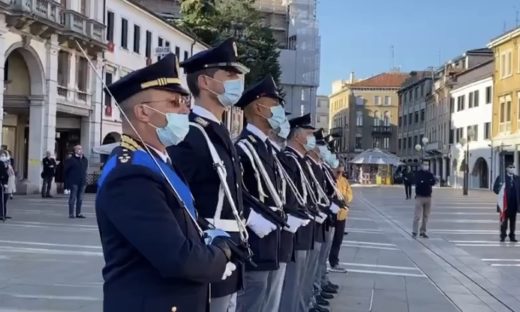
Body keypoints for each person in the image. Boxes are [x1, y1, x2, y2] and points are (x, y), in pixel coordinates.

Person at [97, 53, 234, 312]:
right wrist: (221, 256)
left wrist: (216, 239)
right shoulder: (131, 175)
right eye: (174, 102)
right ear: (144, 112)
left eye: (185, 100)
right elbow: (178, 258)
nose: (186, 109)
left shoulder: (158, 162)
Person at [167, 38, 249, 312]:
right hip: (210, 250)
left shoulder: (219, 130)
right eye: (230, 75)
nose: (238, 81)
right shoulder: (190, 133)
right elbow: (179, 200)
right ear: (205, 82)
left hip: (230, 251)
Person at [233, 75, 294, 312]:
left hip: (272, 242)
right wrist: (251, 218)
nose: (280, 110)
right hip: (253, 243)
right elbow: (234, 193)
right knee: (252, 303)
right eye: (276, 104)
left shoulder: (268, 147)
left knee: (266, 303)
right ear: (259, 108)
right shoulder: (243, 148)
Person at [279, 113, 318, 312]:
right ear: (296, 136)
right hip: (295, 230)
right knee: (291, 283)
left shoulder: (301, 161)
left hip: (307, 227)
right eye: (309, 133)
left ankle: (301, 306)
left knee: (300, 278)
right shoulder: (288, 158)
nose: (313, 139)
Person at [328, 162, 351, 273]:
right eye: (338, 171)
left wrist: (347, 198)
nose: (340, 174)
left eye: (342, 172)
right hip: (331, 213)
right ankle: (324, 263)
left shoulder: (344, 181)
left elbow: (349, 194)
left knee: (338, 239)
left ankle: (334, 261)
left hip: (341, 214)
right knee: (327, 240)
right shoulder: (330, 179)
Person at [493, 164, 520, 242]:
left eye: (513, 167)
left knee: (513, 221)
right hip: (504, 203)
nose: (512, 169)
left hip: (514, 203)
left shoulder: (517, 178)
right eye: (510, 167)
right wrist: (501, 190)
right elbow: (495, 189)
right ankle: (503, 235)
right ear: (507, 168)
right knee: (504, 220)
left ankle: (512, 236)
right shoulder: (501, 178)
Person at [412, 161, 436, 238]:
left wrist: (425, 182)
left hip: (428, 197)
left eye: (427, 164)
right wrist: (427, 182)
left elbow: (433, 182)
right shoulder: (418, 173)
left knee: (426, 216)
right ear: (421, 165)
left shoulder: (430, 174)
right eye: (425, 164)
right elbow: (417, 182)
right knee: (417, 216)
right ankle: (414, 231)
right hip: (419, 197)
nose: (426, 166)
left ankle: (423, 231)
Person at [64, 145, 88, 218]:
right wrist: (67, 182)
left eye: (81, 149)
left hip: (82, 181)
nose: (80, 150)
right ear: (75, 150)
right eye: (78, 149)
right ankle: (71, 213)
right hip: (74, 181)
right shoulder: (71, 160)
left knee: (80, 199)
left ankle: (78, 213)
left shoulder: (84, 159)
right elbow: (66, 171)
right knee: (73, 198)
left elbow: (85, 170)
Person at [0, 150, 10, 220]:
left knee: (2, 199)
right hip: (1, 182)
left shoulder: (3, 163)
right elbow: (4, 174)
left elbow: (5, 174)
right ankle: (1, 214)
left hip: (2, 183)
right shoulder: (1, 163)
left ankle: (2, 214)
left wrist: (5, 183)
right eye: (2, 155)